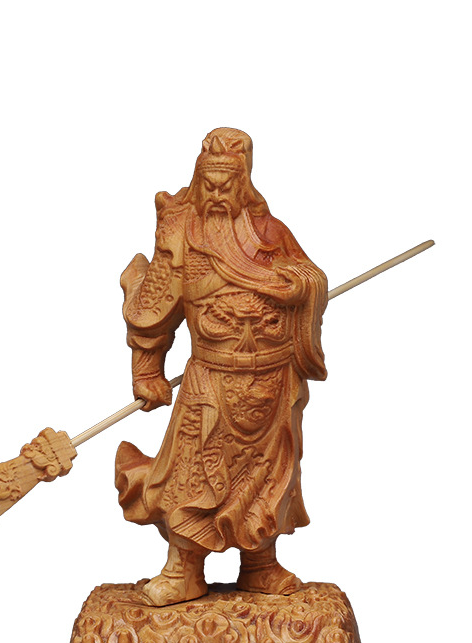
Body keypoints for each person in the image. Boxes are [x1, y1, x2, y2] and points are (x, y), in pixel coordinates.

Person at [115, 128, 328, 606]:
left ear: (243, 183)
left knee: (268, 479)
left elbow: (310, 276)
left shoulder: (271, 234)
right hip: (211, 381)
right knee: (193, 476)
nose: (215, 194)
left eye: (225, 185)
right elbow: (153, 308)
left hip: (272, 381)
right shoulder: (182, 237)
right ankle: (184, 567)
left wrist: (299, 286)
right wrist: (146, 369)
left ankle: (260, 564)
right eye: (207, 184)